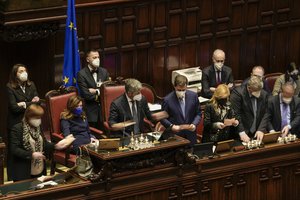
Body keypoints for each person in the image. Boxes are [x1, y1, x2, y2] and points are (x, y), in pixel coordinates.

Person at [9, 104, 69, 181]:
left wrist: (55, 146)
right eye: (36, 118)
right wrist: (32, 154)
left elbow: (44, 144)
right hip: (24, 171)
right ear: (28, 116)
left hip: (39, 169)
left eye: (40, 117)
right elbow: (14, 149)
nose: (39, 120)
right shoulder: (17, 129)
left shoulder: (38, 128)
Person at [6, 63, 40, 181]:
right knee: (15, 151)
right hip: (16, 123)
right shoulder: (10, 87)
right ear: (15, 74)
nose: (24, 73)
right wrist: (30, 103)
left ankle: (30, 175)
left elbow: (38, 102)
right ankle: (13, 177)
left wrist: (24, 104)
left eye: (25, 70)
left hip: (30, 122)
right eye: (20, 71)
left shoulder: (31, 85)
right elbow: (14, 108)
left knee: (29, 148)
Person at [161, 75, 201, 146]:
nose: (181, 92)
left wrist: (194, 124)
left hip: (190, 135)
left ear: (186, 87)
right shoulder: (167, 100)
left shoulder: (193, 96)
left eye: (183, 90)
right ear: (174, 87)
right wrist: (171, 126)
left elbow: (198, 113)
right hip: (175, 136)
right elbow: (163, 118)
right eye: (179, 90)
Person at [77, 50, 110, 130]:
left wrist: (96, 91)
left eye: (98, 57)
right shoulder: (81, 74)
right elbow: (86, 95)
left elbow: (108, 91)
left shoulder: (104, 72)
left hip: (104, 111)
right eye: (94, 57)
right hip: (91, 112)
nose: (97, 59)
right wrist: (101, 92)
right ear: (88, 59)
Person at [230, 76, 268, 142]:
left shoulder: (263, 94)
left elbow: (266, 113)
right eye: (256, 91)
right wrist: (241, 132)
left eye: (259, 91)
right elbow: (236, 114)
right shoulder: (237, 93)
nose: (259, 94)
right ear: (249, 88)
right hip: (241, 133)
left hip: (257, 132)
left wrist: (261, 129)